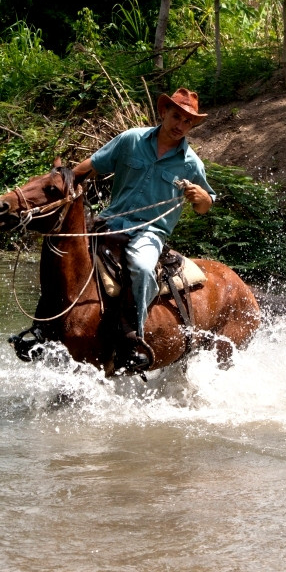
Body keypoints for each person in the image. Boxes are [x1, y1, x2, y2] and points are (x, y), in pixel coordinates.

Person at [73, 88, 215, 371]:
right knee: (65, 254)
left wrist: (202, 199)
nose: (181, 126)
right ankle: (43, 324)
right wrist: (64, 180)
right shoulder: (131, 139)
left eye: (188, 122)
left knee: (140, 266)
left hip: (149, 233)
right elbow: (91, 166)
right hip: (109, 222)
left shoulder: (191, 164)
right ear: (163, 112)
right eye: (177, 117)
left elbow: (205, 204)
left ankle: (132, 336)